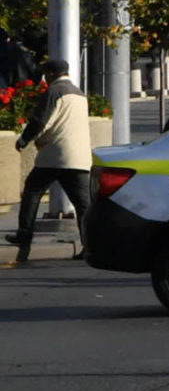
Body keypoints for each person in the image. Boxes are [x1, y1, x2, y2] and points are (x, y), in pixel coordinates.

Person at [8, 61, 92, 266]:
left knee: (32, 192)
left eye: (47, 74)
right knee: (83, 204)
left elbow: (40, 120)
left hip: (55, 156)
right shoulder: (79, 94)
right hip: (79, 158)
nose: (45, 79)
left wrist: (23, 140)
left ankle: (24, 235)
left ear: (53, 74)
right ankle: (90, 246)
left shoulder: (55, 92)